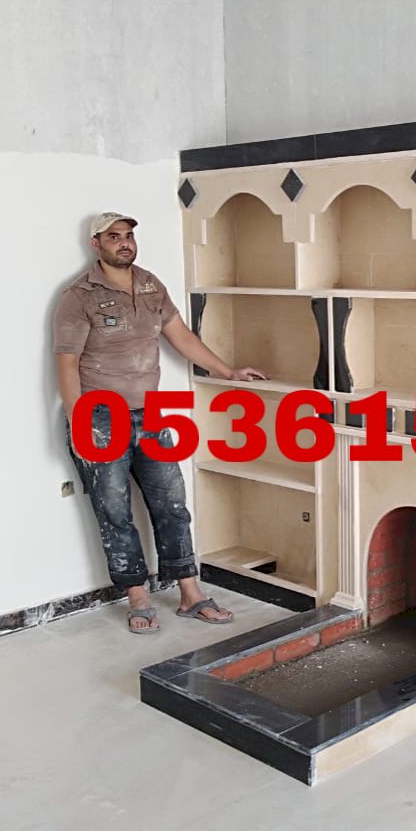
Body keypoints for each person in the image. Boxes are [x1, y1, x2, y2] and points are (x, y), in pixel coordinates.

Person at [53, 212, 267, 633]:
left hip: (150, 413)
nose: (125, 243)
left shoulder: (150, 285)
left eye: (129, 236)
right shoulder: (78, 297)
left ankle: (190, 593)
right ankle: (138, 597)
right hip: (100, 419)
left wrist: (227, 371)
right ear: (96, 244)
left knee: (172, 504)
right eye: (114, 237)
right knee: (114, 511)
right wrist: (80, 424)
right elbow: (66, 364)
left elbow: (180, 335)